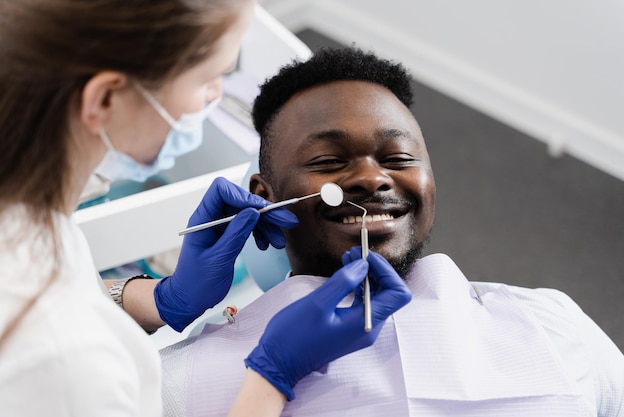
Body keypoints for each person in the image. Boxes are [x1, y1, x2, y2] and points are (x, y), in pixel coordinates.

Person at [160, 47, 624, 416]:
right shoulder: (183, 381)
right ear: (264, 196)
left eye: (399, 158)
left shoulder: (553, 327)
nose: (372, 179)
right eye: (327, 161)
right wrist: (165, 304)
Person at [0, 1, 412, 416]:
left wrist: (159, 300)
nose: (220, 94)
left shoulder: (31, 214)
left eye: (398, 157)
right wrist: (273, 377)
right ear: (106, 97)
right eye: (210, 78)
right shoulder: (62, 366)